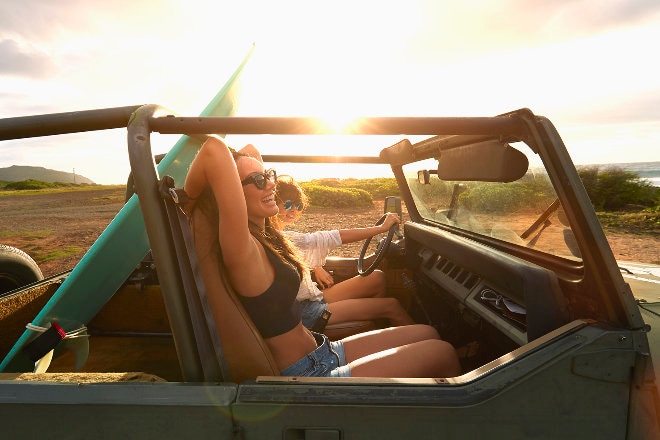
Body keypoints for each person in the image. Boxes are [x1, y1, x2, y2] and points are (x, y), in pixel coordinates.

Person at [184, 137, 461, 378]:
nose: (271, 185)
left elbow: (250, 151)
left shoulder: (263, 232)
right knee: (443, 353)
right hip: (308, 371)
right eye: (258, 181)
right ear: (233, 195)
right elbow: (213, 150)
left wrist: (249, 168)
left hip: (322, 350)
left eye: (269, 174)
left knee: (428, 333)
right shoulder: (242, 247)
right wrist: (188, 200)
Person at [273, 175, 414, 331]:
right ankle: (422, 346)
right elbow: (334, 237)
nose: (293, 209)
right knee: (392, 305)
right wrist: (381, 229)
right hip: (305, 312)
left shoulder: (278, 235)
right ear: (273, 204)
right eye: (287, 204)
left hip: (308, 297)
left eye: (298, 205)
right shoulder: (282, 237)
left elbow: (292, 256)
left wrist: (316, 267)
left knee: (377, 277)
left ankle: (377, 330)